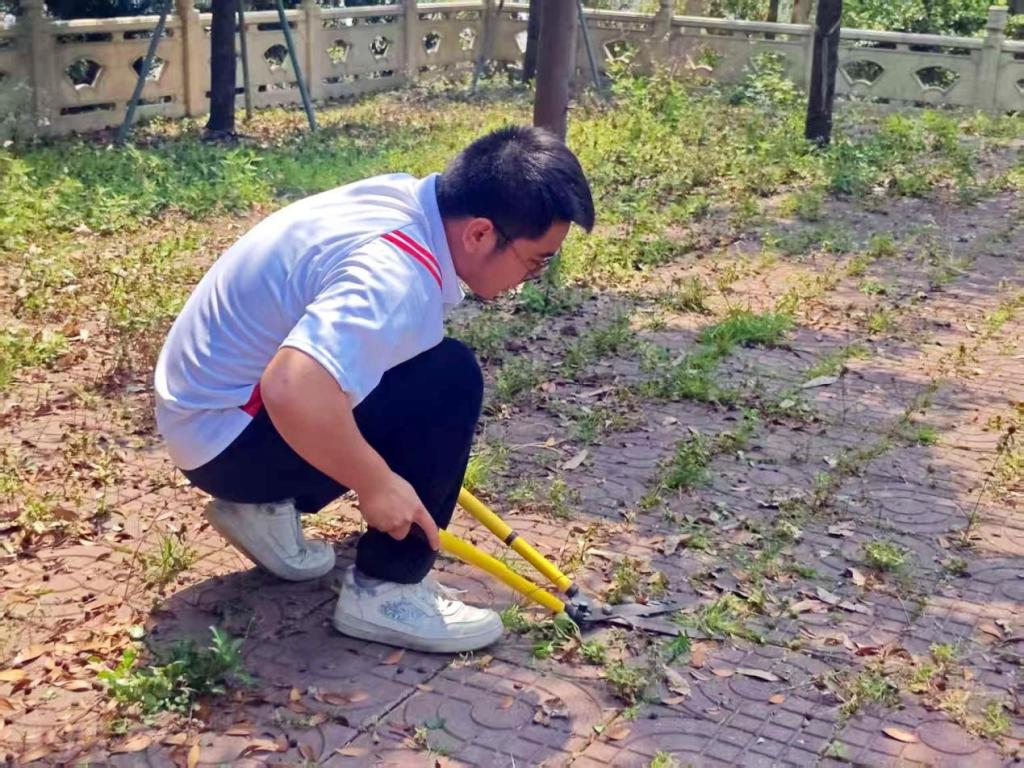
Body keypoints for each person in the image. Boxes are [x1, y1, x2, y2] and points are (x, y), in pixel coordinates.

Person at [153, 126, 594, 653]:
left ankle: (262, 509)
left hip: (204, 418)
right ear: (479, 234)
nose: (533, 276)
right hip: (229, 442)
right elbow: (293, 387)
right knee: (447, 380)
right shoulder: (393, 274)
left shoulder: (402, 199)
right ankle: (388, 591)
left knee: (412, 362)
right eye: (537, 260)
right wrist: (376, 482)